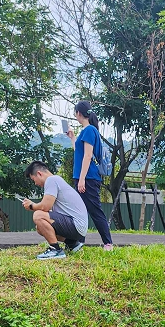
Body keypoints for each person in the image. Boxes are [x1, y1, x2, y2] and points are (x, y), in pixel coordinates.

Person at [67, 100, 114, 251]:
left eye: (75, 113)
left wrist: (81, 180)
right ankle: (78, 242)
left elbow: (88, 156)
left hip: (88, 178)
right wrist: (73, 138)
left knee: (94, 210)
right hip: (85, 177)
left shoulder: (89, 130)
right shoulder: (87, 131)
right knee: (80, 210)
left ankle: (108, 243)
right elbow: (80, 153)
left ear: (78, 113)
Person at [22, 160, 89, 260]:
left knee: (38, 215)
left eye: (33, 179)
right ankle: (72, 244)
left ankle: (55, 250)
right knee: (40, 228)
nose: (35, 183)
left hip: (76, 225)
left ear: (39, 174)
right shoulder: (57, 180)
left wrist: (31, 206)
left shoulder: (51, 180)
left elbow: (45, 207)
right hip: (79, 227)